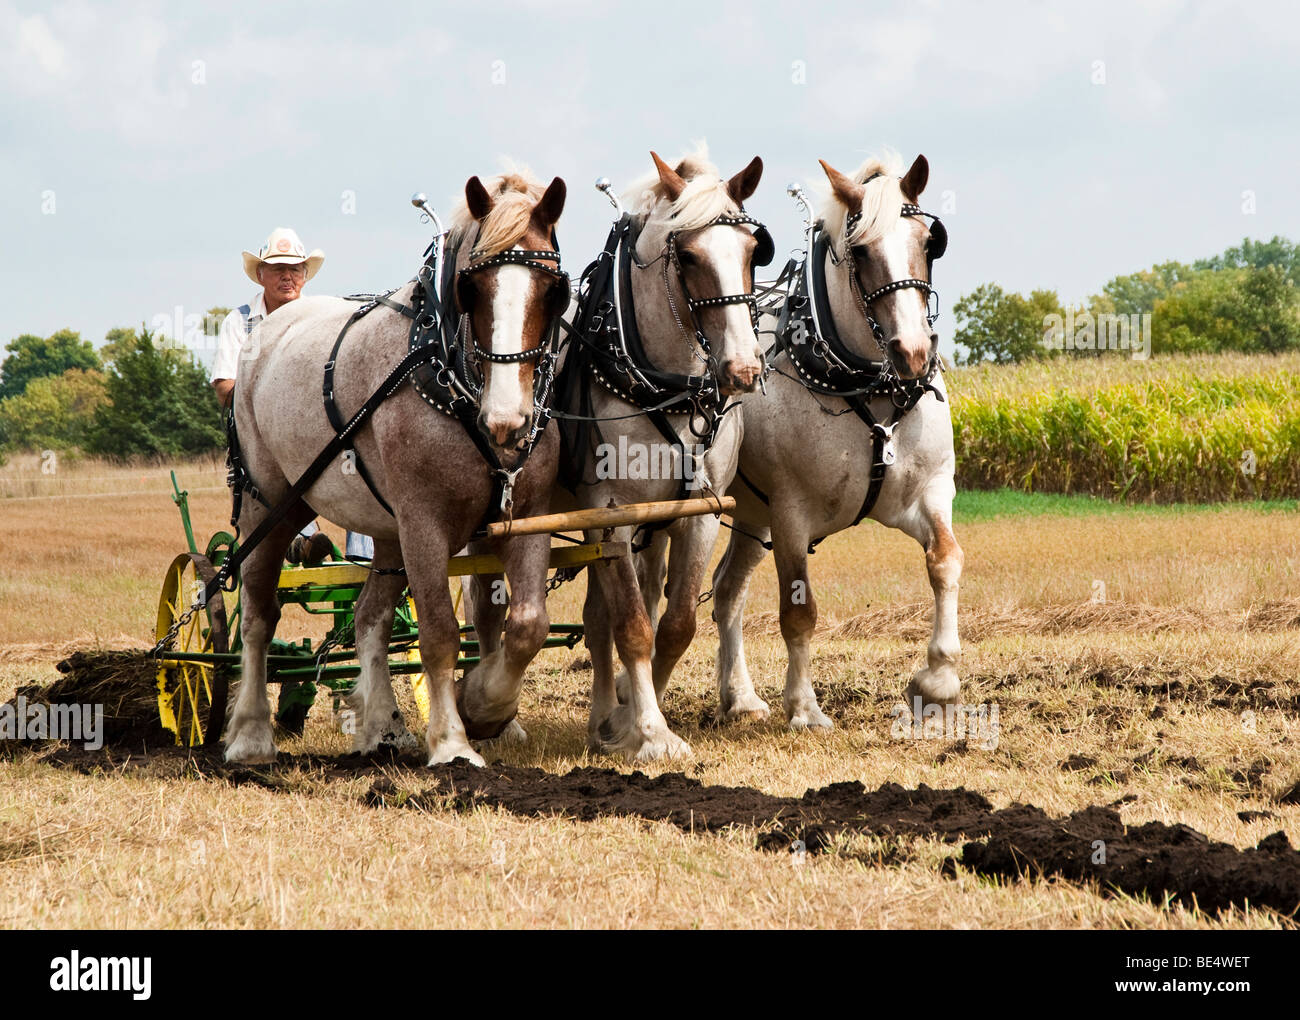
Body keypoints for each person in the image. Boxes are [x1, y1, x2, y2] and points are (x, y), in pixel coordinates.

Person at [211, 227, 336, 565]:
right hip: (260, 438)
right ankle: (299, 543)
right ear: (261, 274)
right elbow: (224, 387)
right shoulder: (240, 322)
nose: (287, 276)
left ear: (305, 276)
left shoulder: (322, 320)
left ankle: (366, 557)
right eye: (279, 268)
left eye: (295, 269)